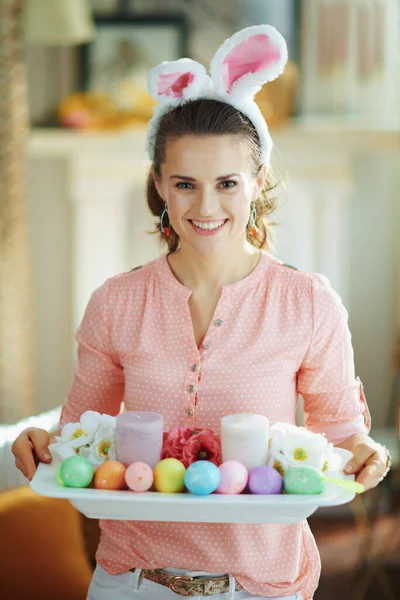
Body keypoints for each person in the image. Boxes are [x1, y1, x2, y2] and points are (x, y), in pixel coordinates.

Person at [12, 25, 391, 600]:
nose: (206, 206)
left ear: (257, 183)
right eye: (185, 183)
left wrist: (363, 451)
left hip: (261, 586)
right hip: (131, 582)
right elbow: (80, 436)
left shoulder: (308, 303)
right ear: (160, 184)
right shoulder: (116, 302)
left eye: (227, 183)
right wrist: (43, 445)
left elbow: (337, 431)